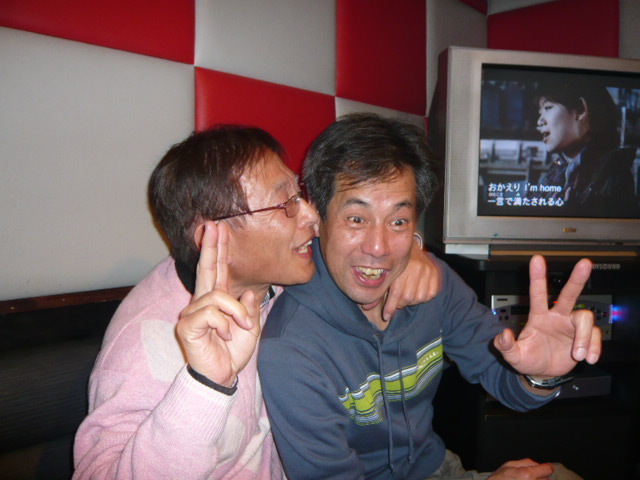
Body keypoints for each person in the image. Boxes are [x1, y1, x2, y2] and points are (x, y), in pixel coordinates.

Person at [72, 125, 441, 479]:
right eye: (286, 204)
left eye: (299, 196)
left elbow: (362, 245)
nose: (311, 216)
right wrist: (204, 384)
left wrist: (410, 251)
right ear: (213, 234)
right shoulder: (146, 345)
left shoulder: (276, 275)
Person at [258, 113, 601, 480]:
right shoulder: (291, 348)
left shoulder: (435, 283)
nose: (378, 247)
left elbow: (506, 384)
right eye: (356, 219)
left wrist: (539, 376)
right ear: (317, 213)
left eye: (398, 222)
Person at [533, 77, 638, 217]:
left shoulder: (612, 176)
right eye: (540, 113)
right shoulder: (559, 169)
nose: (540, 121)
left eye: (548, 108)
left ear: (581, 110)